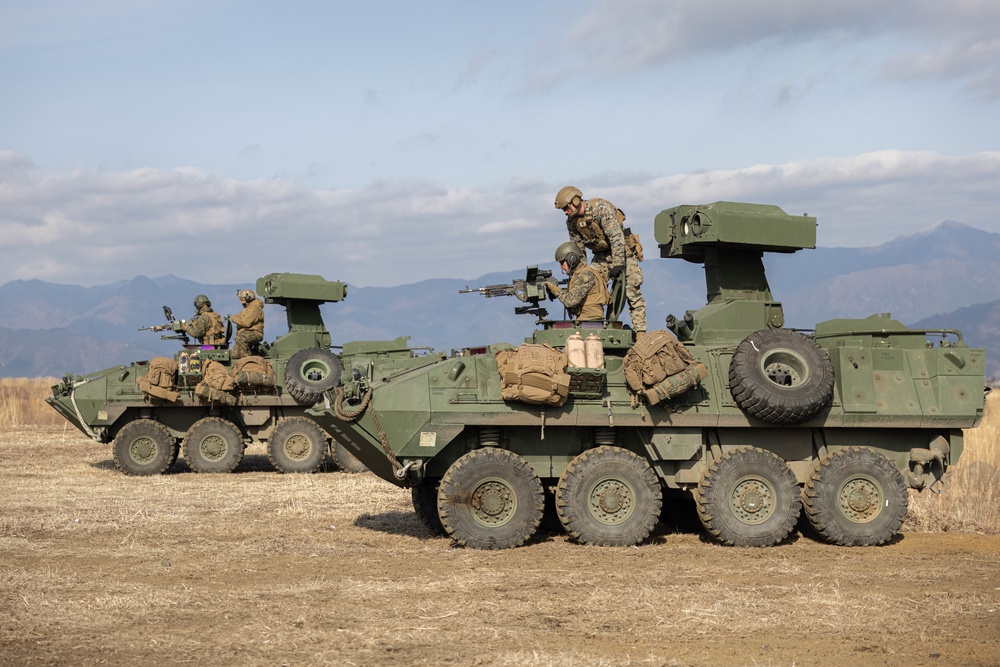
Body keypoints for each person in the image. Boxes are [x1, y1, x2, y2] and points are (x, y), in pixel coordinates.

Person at [554, 186, 646, 337]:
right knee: (590, 283)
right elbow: (578, 250)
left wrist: (618, 263)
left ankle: (641, 332)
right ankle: (593, 326)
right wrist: (579, 273)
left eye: (566, 208)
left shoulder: (600, 209)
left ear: (575, 202)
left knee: (631, 291)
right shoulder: (572, 222)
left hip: (622, 253)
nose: (565, 212)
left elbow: (616, 237)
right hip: (600, 256)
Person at [544, 242, 609, 322]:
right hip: (586, 320)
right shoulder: (580, 274)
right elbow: (574, 294)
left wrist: (555, 289)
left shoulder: (584, 276)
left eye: (562, 263)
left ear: (572, 259)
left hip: (590, 321)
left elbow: (571, 301)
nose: (561, 266)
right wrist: (554, 291)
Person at [230, 289, 264, 359]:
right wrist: (233, 317)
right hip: (247, 333)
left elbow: (245, 323)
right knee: (234, 354)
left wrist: (233, 318)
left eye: (242, 299)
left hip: (255, 333)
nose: (241, 301)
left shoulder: (254, 308)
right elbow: (241, 316)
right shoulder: (248, 308)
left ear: (248, 298)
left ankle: (247, 360)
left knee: (241, 338)